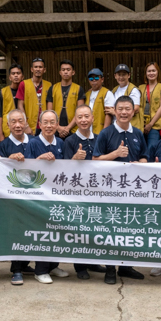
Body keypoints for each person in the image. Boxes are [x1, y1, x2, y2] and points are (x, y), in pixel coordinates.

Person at [93, 96, 148, 284]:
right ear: (115, 111)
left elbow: (144, 156)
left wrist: (139, 163)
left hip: (133, 192)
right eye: (120, 109)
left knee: (130, 229)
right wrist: (115, 154)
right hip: (110, 191)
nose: (124, 112)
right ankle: (110, 269)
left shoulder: (138, 133)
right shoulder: (106, 133)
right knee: (112, 229)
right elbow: (95, 160)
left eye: (127, 109)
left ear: (133, 111)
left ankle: (125, 267)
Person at [62, 105, 108, 281]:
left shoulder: (99, 139)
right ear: (76, 119)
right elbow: (63, 169)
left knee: (95, 226)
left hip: (98, 191)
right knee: (80, 228)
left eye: (86, 116)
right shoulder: (70, 141)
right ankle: (80, 266)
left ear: (92, 118)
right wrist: (75, 159)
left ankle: (93, 261)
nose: (83, 120)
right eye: (79, 117)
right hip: (77, 193)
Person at [26, 110, 69, 283]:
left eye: (53, 122)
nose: (49, 125)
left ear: (57, 125)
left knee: (57, 230)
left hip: (57, 194)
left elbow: (68, 167)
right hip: (39, 195)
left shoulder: (61, 142)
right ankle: (40, 270)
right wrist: (40, 158)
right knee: (43, 231)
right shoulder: (33, 143)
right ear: (40, 124)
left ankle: (53, 265)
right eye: (46, 122)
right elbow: (26, 170)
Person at [0, 109, 36, 285]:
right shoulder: (4, 145)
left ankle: (26, 263)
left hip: (35, 196)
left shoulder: (34, 142)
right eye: (13, 122)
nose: (18, 125)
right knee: (16, 231)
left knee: (32, 230)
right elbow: (0, 168)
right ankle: (16, 269)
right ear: (8, 125)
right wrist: (8, 159)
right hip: (14, 197)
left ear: (26, 123)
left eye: (21, 121)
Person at [46, 60, 86, 138]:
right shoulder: (53, 88)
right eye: (63, 70)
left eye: (68, 70)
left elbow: (80, 112)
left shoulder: (78, 89)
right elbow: (49, 111)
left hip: (73, 130)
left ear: (73, 72)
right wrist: (58, 128)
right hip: (55, 129)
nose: (65, 72)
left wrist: (68, 128)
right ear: (60, 72)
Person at [17, 57, 52, 135]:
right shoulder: (23, 84)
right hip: (30, 124)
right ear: (31, 69)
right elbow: (20, 105)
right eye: (35, 67)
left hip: (45, 124)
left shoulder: (49, 85)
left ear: (44, 69)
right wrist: (26, 125)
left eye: (40, 67)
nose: (38, 69)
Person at [139, 62, 161, 148]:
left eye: (153, 71)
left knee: (151, 148)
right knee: (140, 149)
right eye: (149, 71)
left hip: (155, 125)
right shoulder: (140, 88)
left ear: (157, 72)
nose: (151, 73)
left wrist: (150, 124)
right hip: (141, 124)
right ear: (146, 73)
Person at [0, 63, 24, 141]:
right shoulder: (3, 92)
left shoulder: (27, 91)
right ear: (9, 77)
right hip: (7, 130)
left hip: (23, 129)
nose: (16, 75)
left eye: (18, 73)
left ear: (22, 77)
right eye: (13, 73)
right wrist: (0, 133)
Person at [111, 64, 143, 130]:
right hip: (116, 126)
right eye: (119, 75)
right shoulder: (114, 90)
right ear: (115, 76)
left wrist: (114, 112)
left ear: (129, 75)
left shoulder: (133, 90)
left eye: (124, 75)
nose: (121, 77)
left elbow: (136, 108)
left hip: (131, 127)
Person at [84, 68, 115, 135]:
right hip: (87, 131)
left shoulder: (107, 93)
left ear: (102, 79)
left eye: (96, 78)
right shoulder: (87, 94)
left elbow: (108, 114)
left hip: (100, 131)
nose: (94, 80)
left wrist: (104, 132)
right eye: (91, 79)